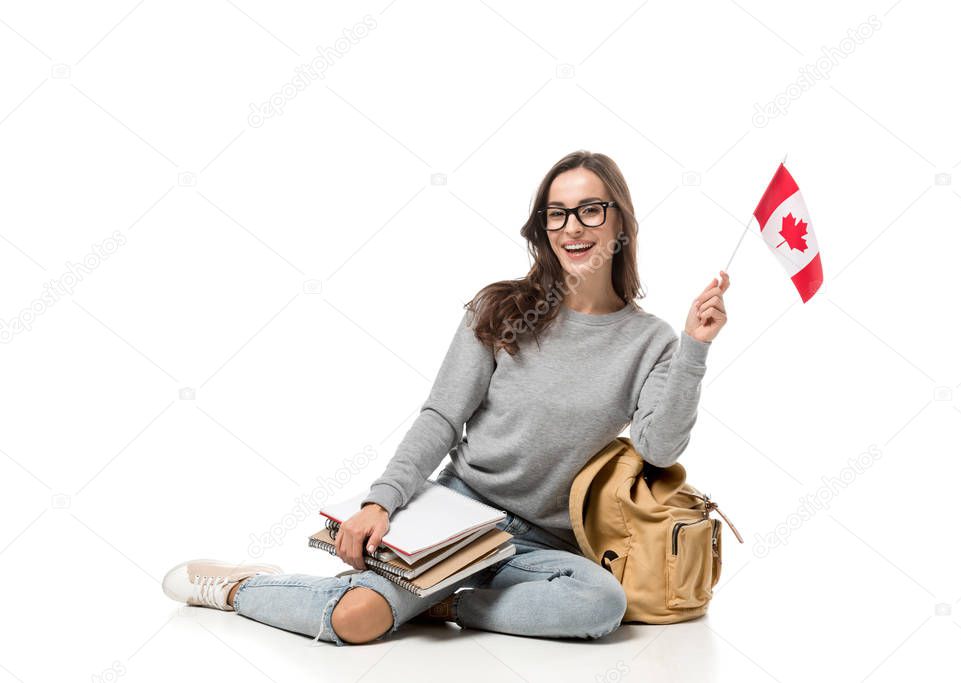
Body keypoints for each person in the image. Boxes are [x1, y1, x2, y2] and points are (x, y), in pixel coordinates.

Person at [162, 150, 730, 646]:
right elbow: (442, 415)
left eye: (590, 210)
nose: (571, 227)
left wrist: (695, 349)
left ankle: (442, 603)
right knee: (356, 621)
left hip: (540, 550)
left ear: (620, 223)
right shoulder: (500, 309)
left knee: (601, 606)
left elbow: (658, 447)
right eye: (556, 213)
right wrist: (382, 501)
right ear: (543, 226)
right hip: (457, 517)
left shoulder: (651, 341)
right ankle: (241, 587)